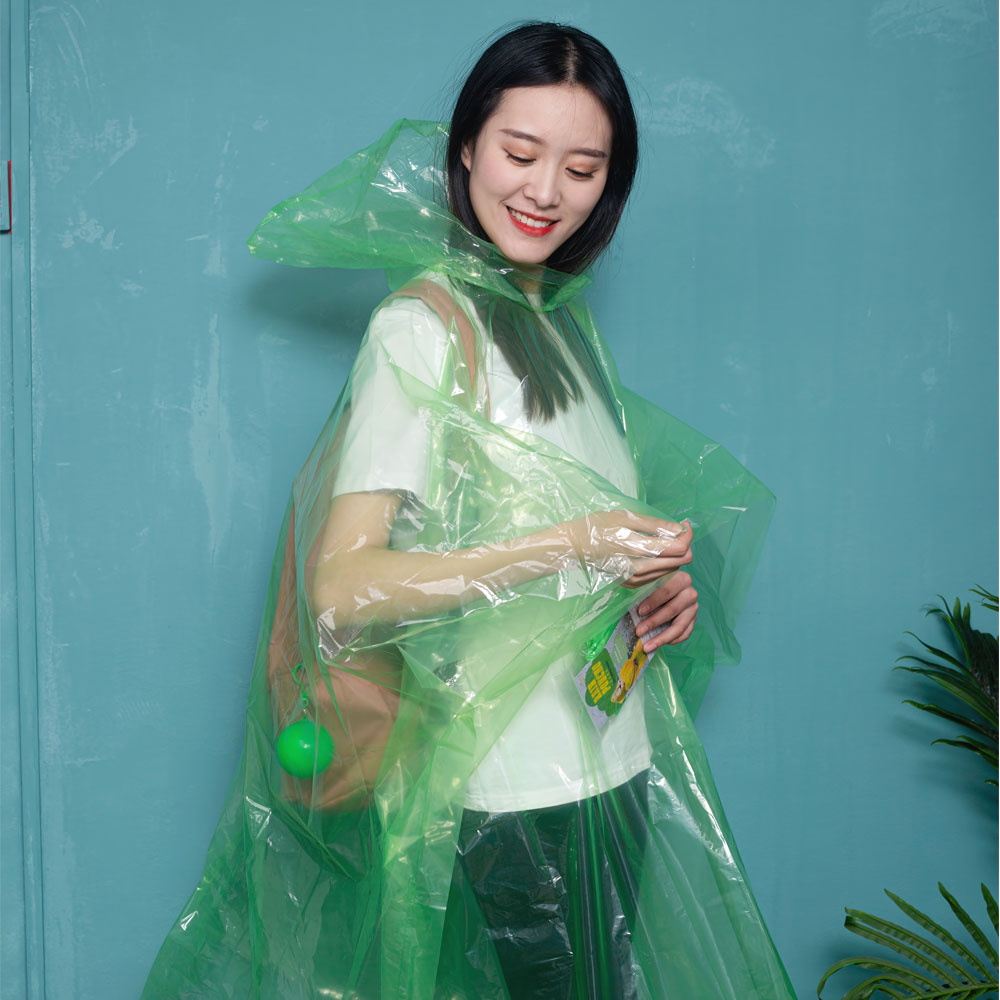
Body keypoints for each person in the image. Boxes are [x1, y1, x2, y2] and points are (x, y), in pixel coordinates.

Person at [142, 22, 796, 1000]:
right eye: (520, 153)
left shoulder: (557, 325)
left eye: (582, 168)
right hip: (512, 787)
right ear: (465, 151)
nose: (545, 191)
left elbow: (566, 547)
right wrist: (569, 545)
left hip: (615, 756)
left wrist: (648, 594)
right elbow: (343, 587)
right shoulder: (420, 330)